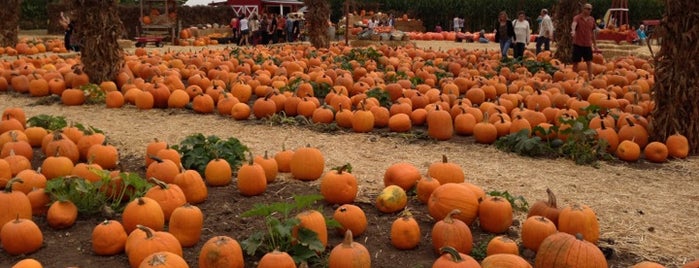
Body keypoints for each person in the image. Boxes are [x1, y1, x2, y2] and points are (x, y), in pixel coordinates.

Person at [571, 3, 598, 81]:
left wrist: (595, 44)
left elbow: (592, 33)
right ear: (583, 9)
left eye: (590, 9)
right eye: (588, 9)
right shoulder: (577, 18)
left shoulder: (592, 19)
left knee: (589, 62)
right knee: (575, 62)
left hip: (587, 44)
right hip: (578, 43)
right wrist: (573, 31)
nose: (589, 10)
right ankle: (573, 77)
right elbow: (574, 24)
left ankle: (590, 77)